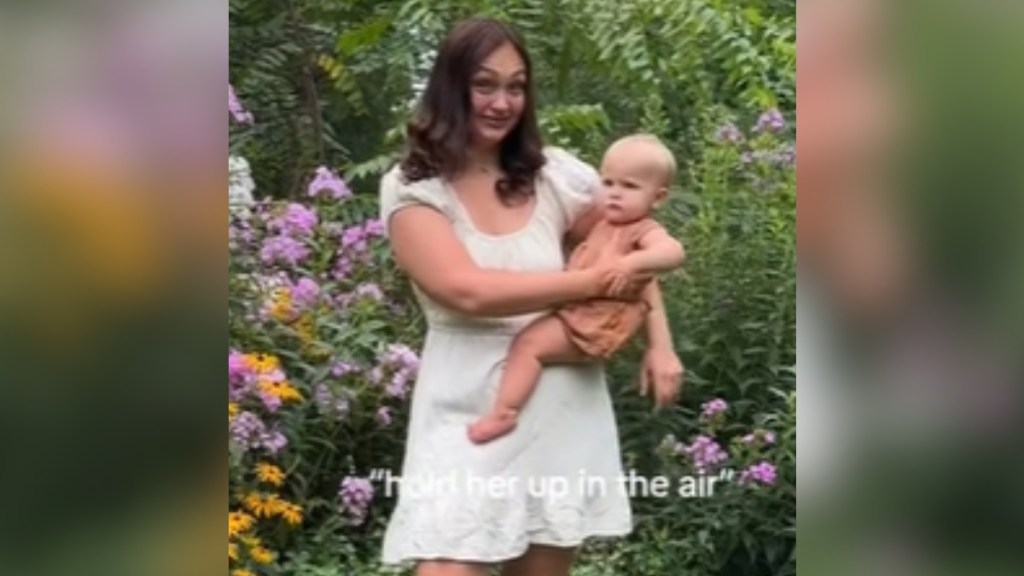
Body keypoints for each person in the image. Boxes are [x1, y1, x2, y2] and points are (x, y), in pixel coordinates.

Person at [378, 17, 684, 576]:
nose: (502, 102)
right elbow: (465, 291)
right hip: (464, 397)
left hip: (559, 394)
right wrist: (592, 284)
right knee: (449, 564)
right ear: (450, 85)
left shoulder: (554, 176)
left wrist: (659, 344)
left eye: (516, 86)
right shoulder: (412, 187)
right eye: (484, 84)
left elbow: (628, 247)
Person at [467, 134, 685, 444]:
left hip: (594, 325)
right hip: (581, 315)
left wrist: (632, 263)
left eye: (630, 186)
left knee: (529, 345)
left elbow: (673, 252)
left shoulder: (642, 230)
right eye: (608, 183)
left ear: (658, 197)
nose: (614, 194)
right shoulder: (605, 224)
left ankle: (504, 412)